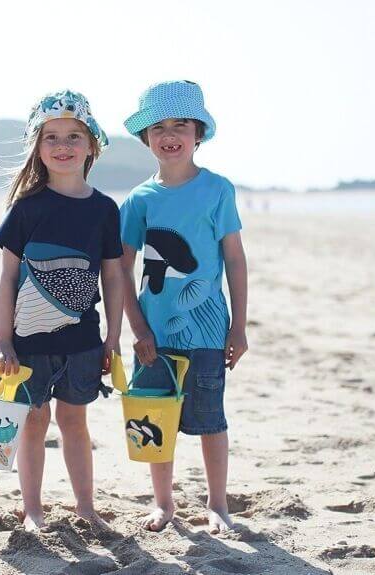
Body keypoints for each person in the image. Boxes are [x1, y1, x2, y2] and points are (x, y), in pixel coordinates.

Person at [0, 90, 124, 531]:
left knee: (74, 421)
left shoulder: (105, 209)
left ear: (92, 146)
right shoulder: (27, 208)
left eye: (73, 136)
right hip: (28, 341)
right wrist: (2, 338)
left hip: (83, 339)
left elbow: (113, 276)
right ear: (38, 147)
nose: (62, 145)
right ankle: (32, 509)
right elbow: (8, 277)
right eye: (52, 137)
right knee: (33, 421)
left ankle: (85, 506)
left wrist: (112, 338)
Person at [120, 80, 248, 533]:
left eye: (180, 124)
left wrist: (239, 327)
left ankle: (218, 504)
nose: (169, 134)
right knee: (155, 420)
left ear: (198, 133)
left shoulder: (218, 190)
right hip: (154, 334)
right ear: (146, 138)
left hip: (209, 332)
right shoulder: (138, 200)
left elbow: (234, 258)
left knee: (211, 419)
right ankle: (163, 503)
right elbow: (120, 268)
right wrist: (136, 329)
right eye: (158, 126)